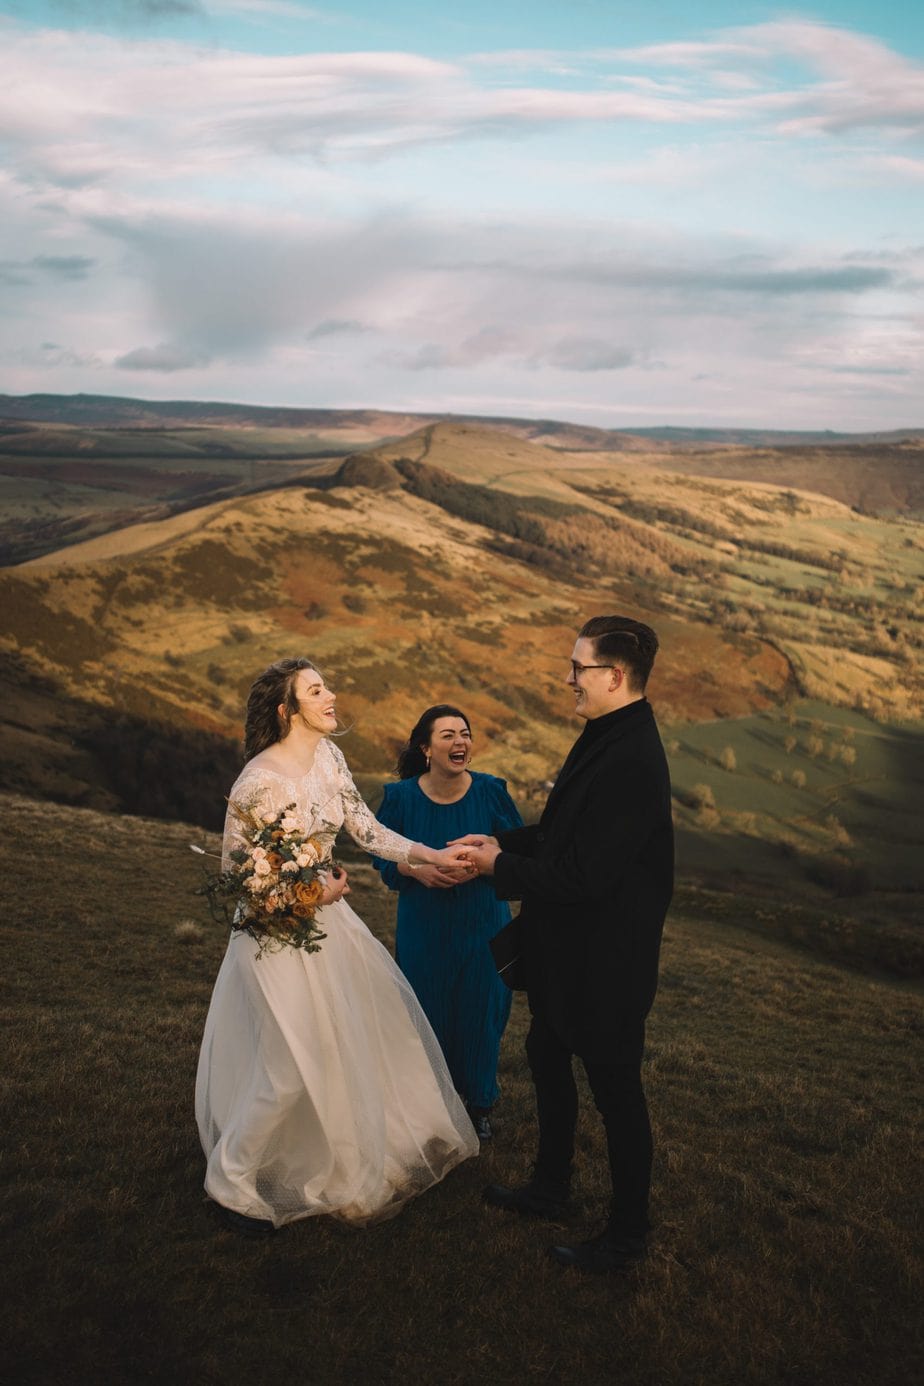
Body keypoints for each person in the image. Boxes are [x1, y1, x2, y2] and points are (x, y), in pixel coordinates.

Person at [195, 658, 480, 1236]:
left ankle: (350, 1149)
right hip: (272, 938)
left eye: (328, 687)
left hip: (331, 930)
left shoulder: (330, 757)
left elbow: (367, 831)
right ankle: (229, 1183)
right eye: (316, 690)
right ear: (287, 710)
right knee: (287, 1067)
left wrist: (431, 855)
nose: (332, 696)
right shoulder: (257, 780)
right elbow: (233, 871)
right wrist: (307, 888)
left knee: (363, 1036)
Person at [454, 616, 673, 1275]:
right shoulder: (606, 733)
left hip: (606, 962)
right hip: (565, 950)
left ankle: (628, 1238)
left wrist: (498, 867)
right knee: (546, 1055)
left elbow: (583, 876)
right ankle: (551, 1187)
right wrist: (501, 844)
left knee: (616, 1093)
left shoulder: (633, 759)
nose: (568, 678)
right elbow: (563, 833)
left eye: (578, 668)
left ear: (614, 676)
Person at [372, 706, 524, 1142]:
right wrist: (413, 870)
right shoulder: (400, 798)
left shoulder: (492, 792)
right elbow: (381, 854)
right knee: (427, 1012)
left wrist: (487, 862)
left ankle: (477, 1105)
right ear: (426, 748)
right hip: (425, 927)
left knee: (480, 1015)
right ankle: (429, 1104)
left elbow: (516, 855)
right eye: (448, 736)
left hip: (483, 926)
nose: (460, 742)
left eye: (465, 734)